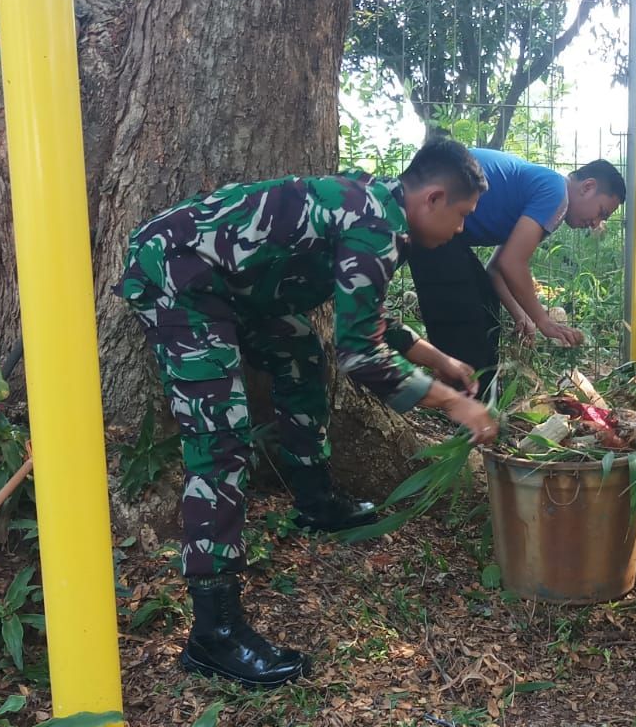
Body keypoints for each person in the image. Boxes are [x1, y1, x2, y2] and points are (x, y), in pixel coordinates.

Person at [119, 139, 498, 689]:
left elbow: (366, 313)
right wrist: (457, 404)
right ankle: (214, 633)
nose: (462, 230)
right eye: (462, 216)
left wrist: (439, 361)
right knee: (220, 438)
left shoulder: (378, 207)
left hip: (231, 285)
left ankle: (316, 500)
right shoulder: (377, 225)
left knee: (300, 353)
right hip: (178, 275)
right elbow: (361, 355)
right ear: (434, 198)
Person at [405, 150, 625, 398]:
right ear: (588, 187)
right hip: (431, 217)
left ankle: (477, 399)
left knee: (486, 305)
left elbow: (497, 269)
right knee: (466, 317)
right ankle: (465, 404)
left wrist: (522, 316)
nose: (596, 223)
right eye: (602, 212)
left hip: (447, 230)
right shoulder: (556, 194)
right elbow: (512, 263)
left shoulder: (549, 194)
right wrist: (543, 321)